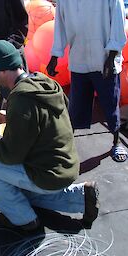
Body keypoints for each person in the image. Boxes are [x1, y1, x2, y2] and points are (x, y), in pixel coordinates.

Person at [0, 40, 99, 232]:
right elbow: (50, 117)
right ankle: (81, 197)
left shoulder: (21, 100)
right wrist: (10, 118)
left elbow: (9, 155)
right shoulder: (44, 82)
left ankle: (23, 220)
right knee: (19, 191)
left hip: (48, 174)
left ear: (1, 70)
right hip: (66, 164)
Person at [46, 0, 128, 162]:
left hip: (104, 59)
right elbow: (60, 26)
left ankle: (116, 140)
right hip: (79, 58)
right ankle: (67, 144)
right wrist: (55, 55)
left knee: (110, 102)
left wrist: (111, 57)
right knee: (76, 105)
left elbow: (118, 24)